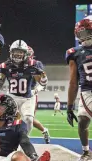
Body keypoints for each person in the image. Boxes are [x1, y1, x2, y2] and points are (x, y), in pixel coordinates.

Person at [0, 40, 48, 135]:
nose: (17, 55)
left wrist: (43, 77)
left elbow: (43, 83)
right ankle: (0, 138)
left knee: (29, 119)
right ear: (11, 52)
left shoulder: (32, 64)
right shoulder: (5, 65)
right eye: (15, 52)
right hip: (12, 97)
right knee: (1, 118)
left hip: (27, 97)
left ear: (25, 54)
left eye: (20, 52)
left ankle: (24, 139)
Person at [65, 15, 92, 160]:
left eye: (87, 33)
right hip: (86, 91)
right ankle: (86, 152)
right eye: (81, 34)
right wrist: (69, 107)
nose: (85, 37)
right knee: (82, 121)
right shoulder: (74, 53)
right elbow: (73, 82)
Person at [27, 46, 50, 144]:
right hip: (17, 94)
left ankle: (44, 130)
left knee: (29, 119)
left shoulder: (35, 64)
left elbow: (41, 82)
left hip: (30, 93)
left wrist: (36, 90)